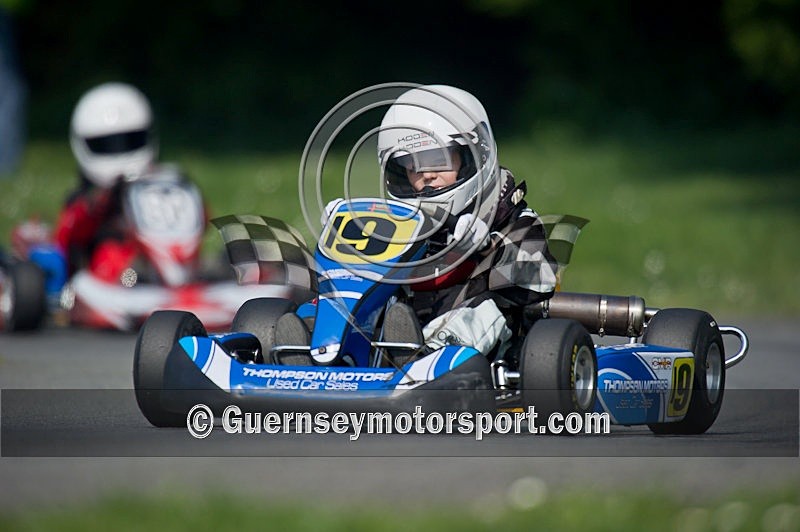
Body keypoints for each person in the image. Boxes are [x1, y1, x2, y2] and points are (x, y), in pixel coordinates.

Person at [375, 84, 559, 359]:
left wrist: (482, 247)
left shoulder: (514, 221)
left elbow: (538, 279)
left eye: (437, 159)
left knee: (492, 305)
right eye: (412, 164)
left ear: (475, 155)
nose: (426, 175)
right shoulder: (400, 227)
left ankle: (431, 353)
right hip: (402, 333)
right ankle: (317, 347)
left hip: (491, 359)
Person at [54, 82, 159, 276]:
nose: (119, 152)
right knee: (111, 255)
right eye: (106, 144)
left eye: (129, 140)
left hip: (158, 258)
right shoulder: (84, 201)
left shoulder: (159, 187)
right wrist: (99, 204)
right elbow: (65, 238)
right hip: (109, 272)